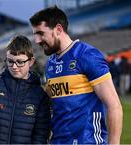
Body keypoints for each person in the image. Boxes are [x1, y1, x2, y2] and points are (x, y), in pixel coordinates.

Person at [29, 6, 123, 144]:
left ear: (58, 29)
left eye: (41, 33)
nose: (37, 40)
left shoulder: (87, 55)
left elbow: (114, 105)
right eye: (35, 35)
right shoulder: (50, 63)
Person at [0, 35, 50, 144]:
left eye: (20, 62)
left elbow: (41, 136)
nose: (14, 67)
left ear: (31, 62)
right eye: (10, 61)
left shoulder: (40, 96)